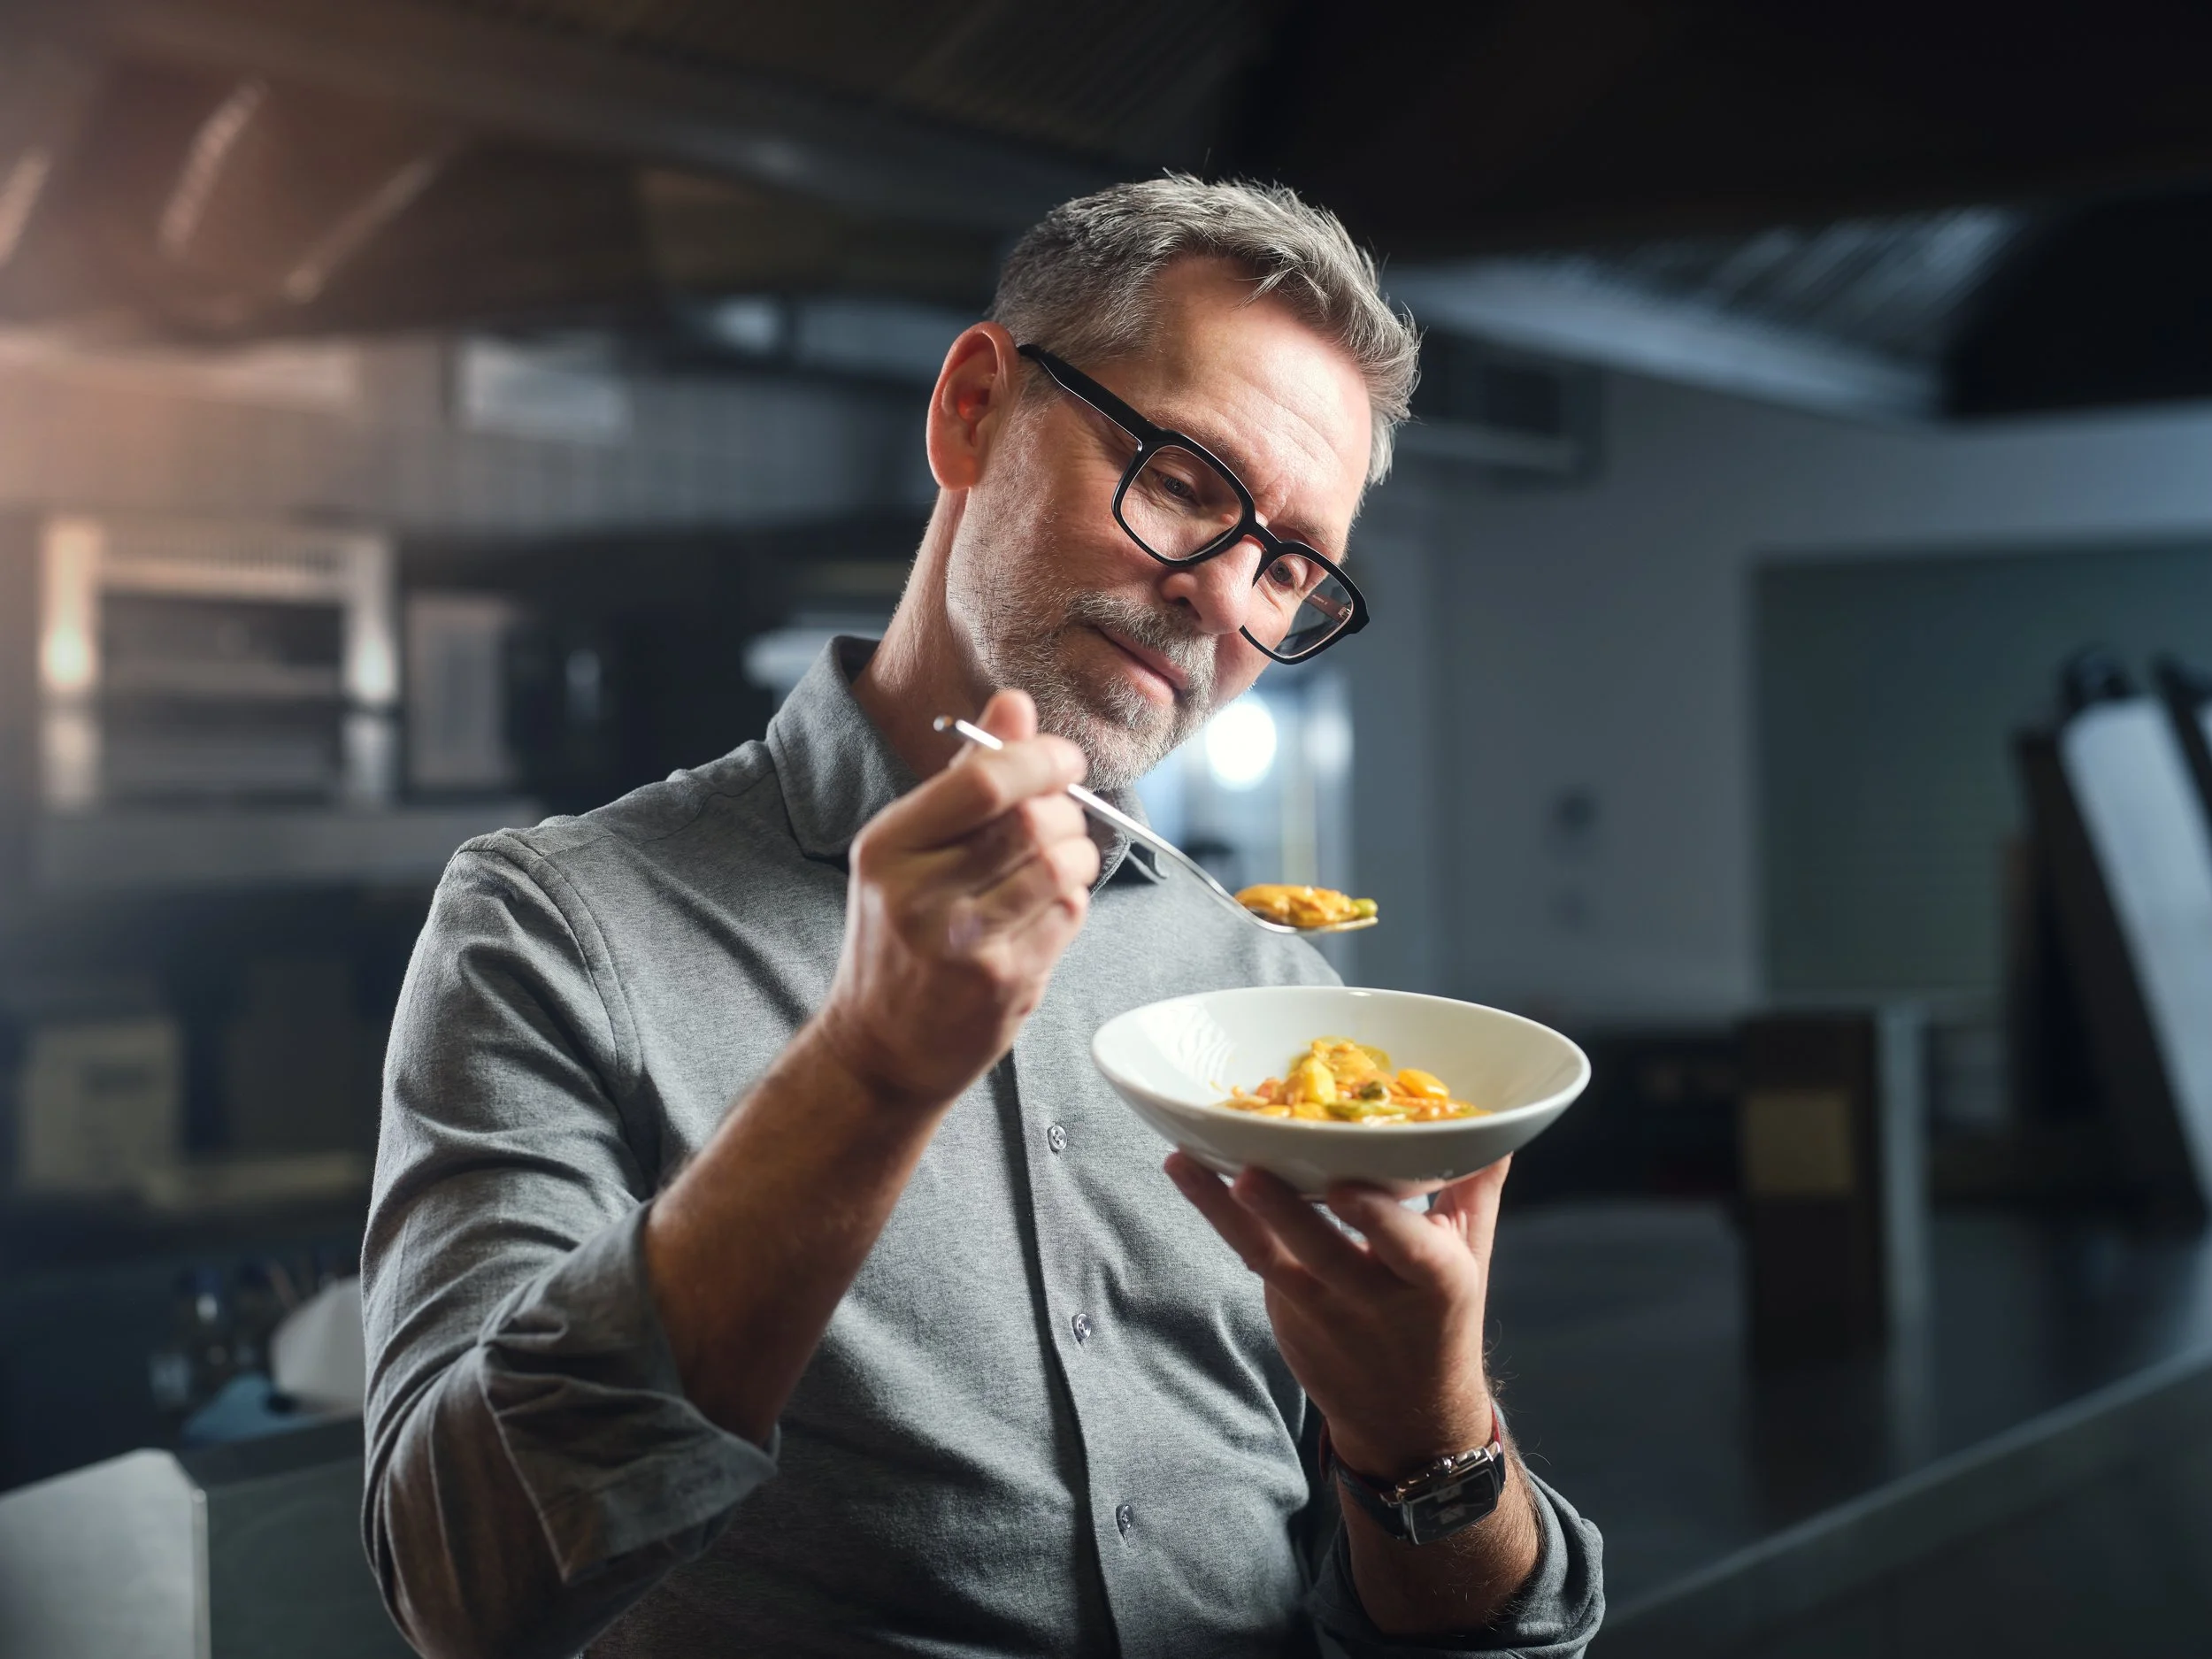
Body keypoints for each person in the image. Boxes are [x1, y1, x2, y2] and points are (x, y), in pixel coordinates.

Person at [362, 176, 1604, 1658]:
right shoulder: (557, 927)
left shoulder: (1270, 991)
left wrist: (1431, 1437)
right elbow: (461, 1586)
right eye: (1189, 479)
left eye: (1288, 565)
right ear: (971, 409)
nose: (1223, 602)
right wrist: (868, 1072)